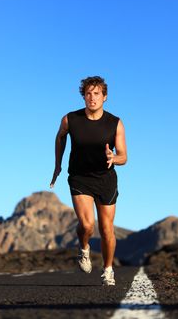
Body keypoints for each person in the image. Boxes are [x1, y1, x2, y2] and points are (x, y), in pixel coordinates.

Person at [50, 76, 127, 286]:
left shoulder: (115, 123)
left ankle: (108, 270)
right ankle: (84, 249)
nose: (92, 98)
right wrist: (58, 165)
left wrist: (114, 158)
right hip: (80, 177)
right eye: (88, 93)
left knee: (106, 229)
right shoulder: (70, 119)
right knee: (86, 225)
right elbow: (60, 137)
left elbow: (124, 156)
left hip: (106, 180)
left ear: (105, 97)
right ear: (83, 96)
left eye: (96, 94)